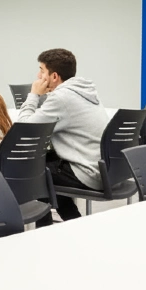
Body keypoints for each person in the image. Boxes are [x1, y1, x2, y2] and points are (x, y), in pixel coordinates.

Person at [16, 48, 109, 224]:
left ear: (54, 76)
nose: (38, 76)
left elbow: (25, 130)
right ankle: (74, 224)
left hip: (86, 172)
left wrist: (34, 95)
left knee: (33, 172)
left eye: (42, 70)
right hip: (100, 169)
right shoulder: (84, 91)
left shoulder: (61, 97)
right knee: (46, 168)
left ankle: (45, 230)